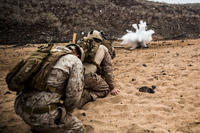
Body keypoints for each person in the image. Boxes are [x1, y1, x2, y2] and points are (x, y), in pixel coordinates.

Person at [14, 44, 85, 133]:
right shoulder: (75, 61)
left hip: (20, 108)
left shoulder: (46, 53)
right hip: (42, 115)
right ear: (78, 55)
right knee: (78, 127)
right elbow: (74, 95)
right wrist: (67, 112)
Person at [77, 30, 120, 108]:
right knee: (105, 89)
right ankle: (85, 96)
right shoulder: (103, 48)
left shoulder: (79, 46)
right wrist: (112, 87)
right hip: (87, 77)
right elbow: (108, 69)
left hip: (75, 75)